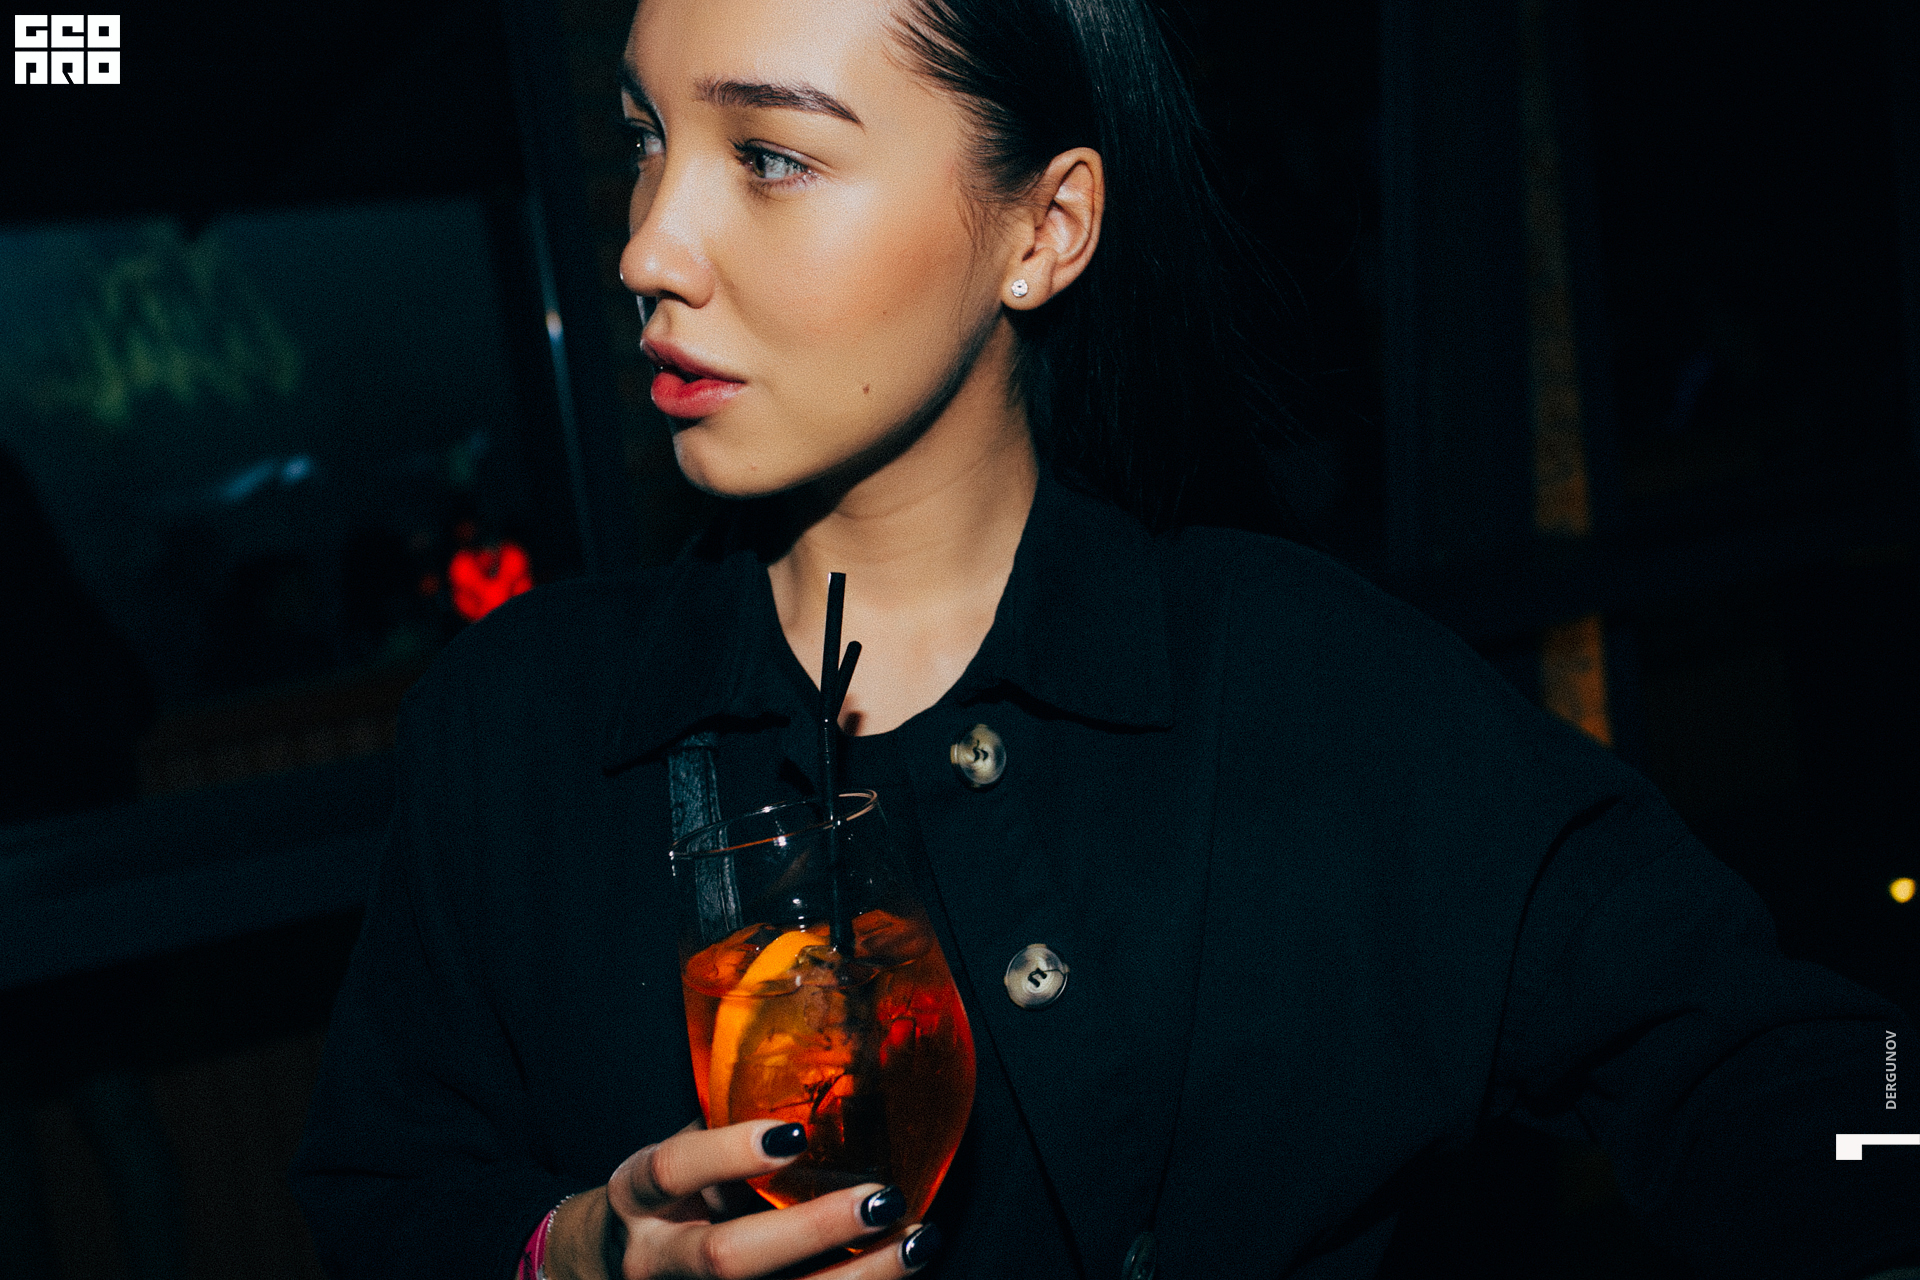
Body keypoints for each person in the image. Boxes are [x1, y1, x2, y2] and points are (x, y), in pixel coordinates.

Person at [290, 0, 1920, 1276]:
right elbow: (381, 1203)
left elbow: (1798, 1079)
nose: (648, 244)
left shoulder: (1304, 683)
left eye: (770, 155)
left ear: (1045, 228)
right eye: (646, 138)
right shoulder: (515, 734)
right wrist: (573, 1255)